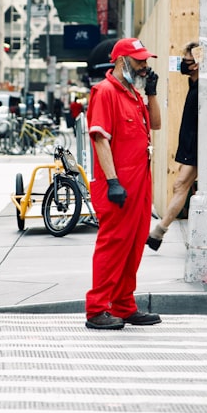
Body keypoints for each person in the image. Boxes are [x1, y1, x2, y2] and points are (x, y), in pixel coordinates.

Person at [84, 37, 162, 330]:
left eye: (146, 61)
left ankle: (124, 305)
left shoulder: (132, 93)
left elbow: (155, 124)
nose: (145, 66)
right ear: (121, 61)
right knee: (113, 246)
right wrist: (114, 182)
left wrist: (151, 94)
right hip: (119, 184)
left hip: (140, 183)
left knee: (133, 246)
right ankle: (96, 309)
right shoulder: (105, 92)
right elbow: (101, 139)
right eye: (140, 60)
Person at [146, 42, 199, 251]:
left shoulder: (202, 89)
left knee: (180, 185)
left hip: (196, 146)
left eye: (185, 59)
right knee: (183, 186)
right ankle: (160, 232)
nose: (182, 63)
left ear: (195, 65)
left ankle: (158, 232)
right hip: (190, 145)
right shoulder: (194, 85)